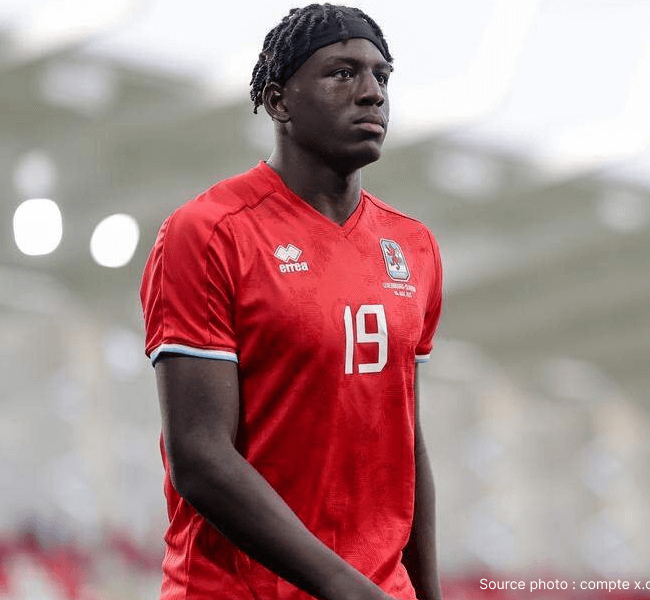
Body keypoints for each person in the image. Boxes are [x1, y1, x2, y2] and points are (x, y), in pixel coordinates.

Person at [139, 4, 444, 600]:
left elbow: (407, 440)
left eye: (382, 77)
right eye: (342, 73)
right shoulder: (209, 232)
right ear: (279, 101)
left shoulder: (415, 248)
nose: (371, 94)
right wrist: (348, 589)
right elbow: (200, 456)